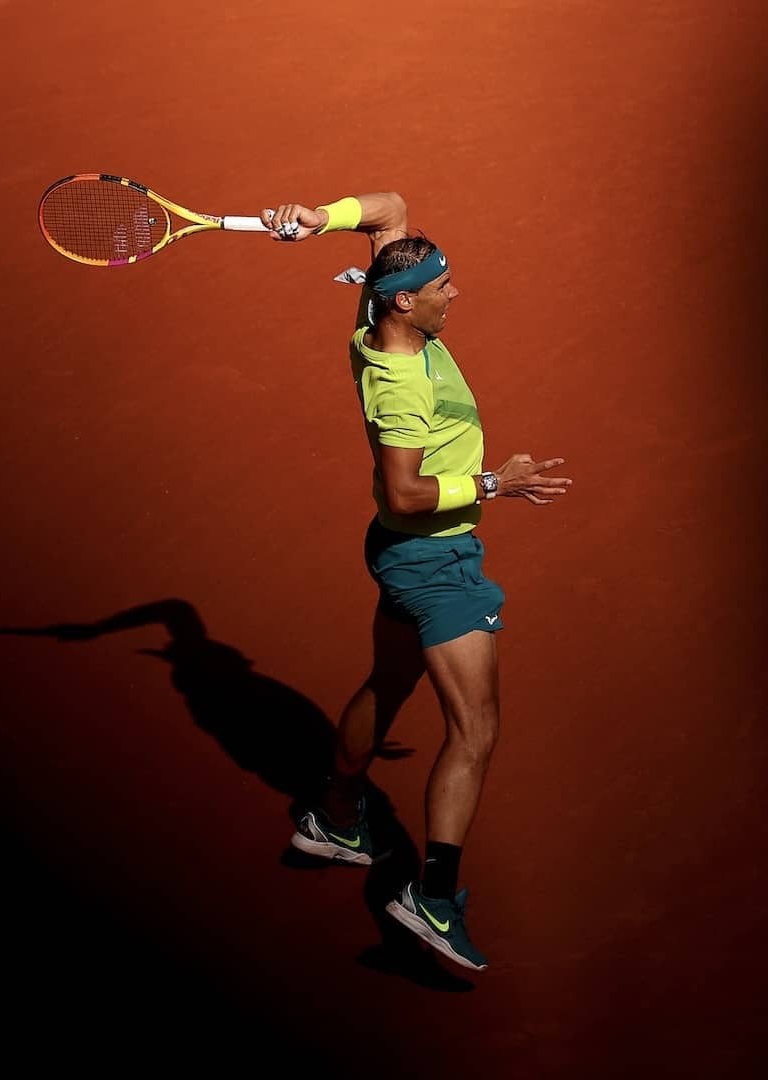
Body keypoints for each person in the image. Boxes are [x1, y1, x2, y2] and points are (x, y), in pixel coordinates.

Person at [260, 192, 571, 972]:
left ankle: (337, 818)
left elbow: (390, 207)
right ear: (406, 300)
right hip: (434, 560)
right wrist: (497, 484)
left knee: (391, 681)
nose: (455, 293)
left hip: (399, 554)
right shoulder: (400, 383)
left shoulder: (381, 309)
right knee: (476, 730)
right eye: (443, 287)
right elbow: (402, 492)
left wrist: (315, 217)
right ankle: (429, 899)